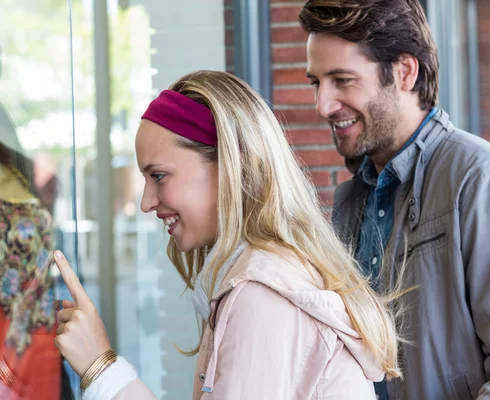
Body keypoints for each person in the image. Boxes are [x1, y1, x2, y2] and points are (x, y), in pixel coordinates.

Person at [52, 70, 401, 399]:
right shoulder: (264, 280)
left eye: (158, 176)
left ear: (231, 167)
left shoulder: (263, 297)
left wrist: (101, 368)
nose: (146, 202)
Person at [299, 0, 490, 399]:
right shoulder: (350, 201)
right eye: (316, 82)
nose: (323, 105)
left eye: (342, 80)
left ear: (404, 72)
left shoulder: (482, 180)